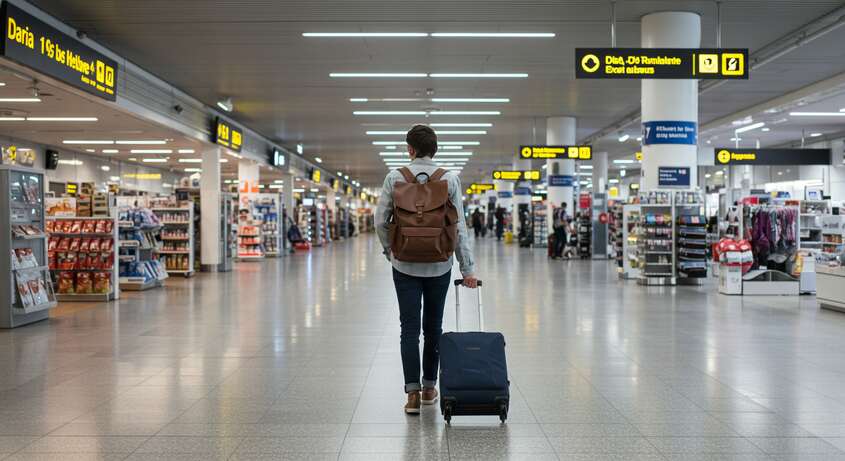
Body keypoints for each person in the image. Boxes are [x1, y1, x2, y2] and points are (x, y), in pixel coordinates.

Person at [375, 124, 477, 415]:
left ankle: (412, 395)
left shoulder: (395, 177)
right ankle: (431, 386)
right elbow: (459, 228)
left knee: (408, 329)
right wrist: (467, 268)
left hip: (403, 265)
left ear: (410, 149)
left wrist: (390, 250)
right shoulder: (450, 179)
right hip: (440, 264)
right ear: (435, 149)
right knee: (433, 328)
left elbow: (380, 220)